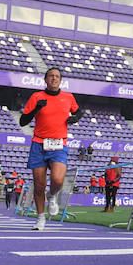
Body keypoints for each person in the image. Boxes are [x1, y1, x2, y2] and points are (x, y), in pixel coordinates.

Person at [19, 67, 84, 231]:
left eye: (57, 76)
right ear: (45, 80)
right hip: (39, 144)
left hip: (59, 144)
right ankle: (40, 219)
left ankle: (53, 195)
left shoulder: (68, 97)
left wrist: (74, 118)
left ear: (60, 80)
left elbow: (78, 112)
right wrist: (36, 109)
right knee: (39, 185)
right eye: (51, 76)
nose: (54, 79)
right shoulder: (36, 97)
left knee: (57, 180)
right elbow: (22, 121)